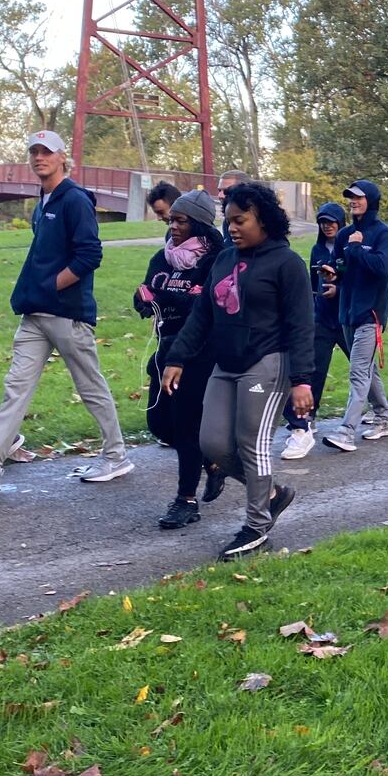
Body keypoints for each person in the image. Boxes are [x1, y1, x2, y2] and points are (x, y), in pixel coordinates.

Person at [0, 132, 132, 491]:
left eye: (46, 152)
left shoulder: (74, 200)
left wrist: (49, 287)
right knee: (16, 389)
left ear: (62, 158)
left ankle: (116, 455)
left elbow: (90, 255)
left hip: (67, 314)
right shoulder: (44, 200)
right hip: (35, 316)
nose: (39, 157)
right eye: (34, 152)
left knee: (90, 387)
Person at [162, 182, 312, 559]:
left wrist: (302, 380)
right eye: (228, 220)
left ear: (263, 219)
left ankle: (257, 528)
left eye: (240, 220)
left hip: (266, 365)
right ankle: (274, 494)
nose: (231, 227)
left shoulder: (287, 263)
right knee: (211, 443)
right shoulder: (225, 260)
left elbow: (301, 325)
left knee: (252, 445)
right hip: (224, 365)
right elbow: (202, 315)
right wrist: (177, 357)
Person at [135, 189, 225, 530]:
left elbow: (207, 308)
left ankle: (185, 501)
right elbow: (149, 289)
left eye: (180, 220)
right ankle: (211, 462)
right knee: (159, 426)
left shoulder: (215, 261)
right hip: (164, 351)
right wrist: (143, 299)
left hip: (198, 355)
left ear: (200, 225)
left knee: (186, 428)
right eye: (171, 219)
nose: (172, 226)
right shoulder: (163, 258)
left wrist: (183, 303)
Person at [322, 180, 388, 452]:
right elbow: (346, 267)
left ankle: (346, 431)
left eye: (358, 197)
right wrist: (335, 273)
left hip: (371, 314)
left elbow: (381, 267)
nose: (353, 201)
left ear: (371, 201)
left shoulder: (383, 234)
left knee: (358, 373)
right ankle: (384, 419)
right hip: (347, 313)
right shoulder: (345, 236)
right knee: (368, 370)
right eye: (350, 197)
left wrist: (355, 249)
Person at [287, 202, 349, 457]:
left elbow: (358, 281)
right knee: (316, 370)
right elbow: (313, 283)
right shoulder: (317, 248)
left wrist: (340, 290)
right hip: (322, 317)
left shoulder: (349, 247)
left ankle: (379, 412)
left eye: (332, 221)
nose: (328, 225)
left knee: (361, 368)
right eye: (323, 222)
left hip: (345, 317)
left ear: (340, 223)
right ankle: (310, 415)